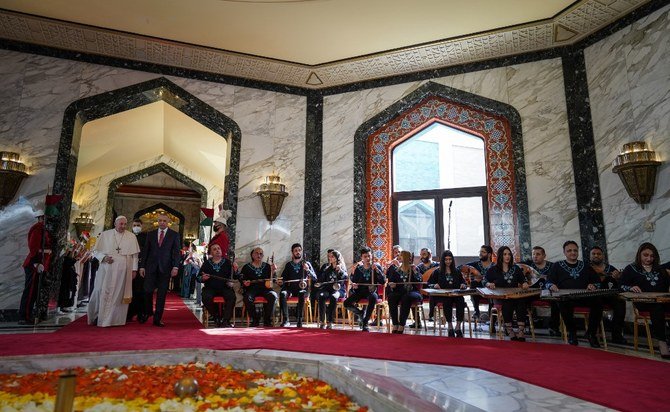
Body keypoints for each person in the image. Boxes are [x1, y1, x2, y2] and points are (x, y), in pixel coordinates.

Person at [546, 240, 603, 348]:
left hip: (583, 296)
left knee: (598, 302)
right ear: (564, 252)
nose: (573, 253)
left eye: (575, 250)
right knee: (563, 304)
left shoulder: (585, 266)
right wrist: (551, 286)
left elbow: (597, 281)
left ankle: (591, 334)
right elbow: (548, 281)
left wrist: (593, 285)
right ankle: (572, 333)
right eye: (569, 250)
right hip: (567, 297)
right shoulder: (557, 266)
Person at [87, 216, 140, 327]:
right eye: (121, 224)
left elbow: (135, 256)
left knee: (118, 295)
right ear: (115, 224)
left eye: (125, 224)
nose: (123, 226)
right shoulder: (105, 235)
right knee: (100, 290)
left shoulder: (131, 237)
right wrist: (104, 258)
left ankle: (115, 320)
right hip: (107, 268)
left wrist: (134, 270)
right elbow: (95, 251)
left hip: (123, 270)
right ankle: (99, 317)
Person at [620, 242, 670, 358]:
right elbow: (620, 286)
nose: (649, 258)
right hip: (644, 302)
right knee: (657, 308)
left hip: (662, 301)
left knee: (659, 306)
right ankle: (662, 343)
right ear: (639, 255)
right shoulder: (631, 269)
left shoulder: (660, 269)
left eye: (652, 256)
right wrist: (630, 287)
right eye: (645, 255)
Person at [139, 213, 182, 327]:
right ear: (157, 221)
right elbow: (146, 251)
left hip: (166, 268)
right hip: (150, 267)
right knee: (147, 290)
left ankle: (157, 319)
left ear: (168, 222)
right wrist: (142, 266)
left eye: (164, 220)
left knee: (161, 295)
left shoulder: (174, 235)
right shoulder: (151, 234)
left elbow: (176, 252)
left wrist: (175, 266)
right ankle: (148, 311)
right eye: (160, 220)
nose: (162, 222)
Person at [484, 246, 530, 341]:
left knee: (521, 301)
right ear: (500, 256)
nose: (507, 256)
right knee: (507, 303)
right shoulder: (493, 269)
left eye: (509, 254)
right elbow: (484, 281)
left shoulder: (516, 268)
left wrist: (525, 283)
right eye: (505, 254)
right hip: (501, 297)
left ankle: (521, 331)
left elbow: (523, 280)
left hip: (515, 296)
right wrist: (489, 284)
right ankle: (510, 331)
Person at [18, 210, 52, 325]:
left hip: (39, 264)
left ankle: (28, 314)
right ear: (42, 217)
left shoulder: (43, 229)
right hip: (34, 264)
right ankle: (24, 316)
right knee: (30, 291)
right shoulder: (38, 229)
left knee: (33, 292)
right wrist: (36, 262)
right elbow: (33, 247)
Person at [589, 246, 627, 344]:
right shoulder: (587, 269)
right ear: (590, 256)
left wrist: (618, 278)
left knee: (621, 302)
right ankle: (591, 332)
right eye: (593, 254)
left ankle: (616, 334)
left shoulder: (611, 268)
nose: (596, 255)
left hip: (609, 295)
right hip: (593, 296)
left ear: (603, 256)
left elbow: (620, 285)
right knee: (596, 303)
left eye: (599, 254)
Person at [520, 246, 559, 336]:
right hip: (532, 293)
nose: (535, 256)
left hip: (547, 292)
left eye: (538, 254)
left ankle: (554, 327)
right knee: (522, 300)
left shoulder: (552, 266)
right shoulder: (528, 266)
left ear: (544, 256)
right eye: (533, 254)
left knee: (556, 302)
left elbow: (556, 279)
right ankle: (527, 326)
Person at [426, 250, 467, 337]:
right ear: (443, 261)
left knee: (461, 301)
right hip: (443, 295)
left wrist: (463, 285)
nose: (448, 261)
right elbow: (429, 283)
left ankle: (458, 326)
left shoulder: (457, 271)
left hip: (455, 294)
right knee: (447, 301)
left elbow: (464, 282)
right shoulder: (437, 271)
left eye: (450, 259)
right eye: (446, 260)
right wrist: (434, 285)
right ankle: (450, 326)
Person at [344, 247, 385, 331]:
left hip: (371, 291)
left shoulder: (376, 266)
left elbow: (383, 281)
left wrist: (377, 271)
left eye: (369, 256)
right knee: (346, 303)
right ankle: (360, 313)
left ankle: (365, 321)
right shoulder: (359, 268)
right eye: (365, 256)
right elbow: (354, 281)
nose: (367, 258)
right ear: (362, 258)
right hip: (360, 292)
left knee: (373, 297)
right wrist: (355, 285)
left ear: (372, 256)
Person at [278, 243, 316, 328]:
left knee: (301, 293)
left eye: (299, 250)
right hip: (290, 289)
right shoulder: (288, 265)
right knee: (283, 294)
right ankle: (286, 320)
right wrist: (281, 282)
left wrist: (308, 270)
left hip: (303, 289)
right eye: (295, 251)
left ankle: (299, 320)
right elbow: (284, 279)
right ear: (292, 253)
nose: (298, 252)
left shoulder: (307, 264)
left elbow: (314, 278)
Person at [198, 244, 236, 327]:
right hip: (210, 288)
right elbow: (198, 277)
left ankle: (226, 320)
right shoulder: (207, 263)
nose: (217, 250)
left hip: (225, 287)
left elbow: (234, 276)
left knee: (231, 297)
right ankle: (216, 317)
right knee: (205, 297)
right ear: (211, 252)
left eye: (219, 248)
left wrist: (232, 278)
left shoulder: (227, 262)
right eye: (215, 249)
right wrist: (203, 278)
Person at [387, 250, 423, 334]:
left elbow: (419, 281)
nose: (399, 257)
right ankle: (395, 323)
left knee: (406, 297)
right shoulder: (396, 269)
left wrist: (414, 271)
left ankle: (402, 324)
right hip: (399, 291)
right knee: (392, 297)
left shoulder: (413, 268)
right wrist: (392, 284)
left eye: (401, 255)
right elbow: (392, 280)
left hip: (413, 292)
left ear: (406, 258)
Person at [240, 247, 278, 327]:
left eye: (261, 254)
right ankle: (255, 319)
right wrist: (244, 283)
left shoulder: (267, 266)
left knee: (273, 295)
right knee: (247, 297)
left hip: (265, 288)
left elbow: (273, 280)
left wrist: (274, 271)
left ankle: (267, 320)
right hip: (252, 289)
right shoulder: (246, 267)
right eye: (256, 253)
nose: (259, 255)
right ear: (252, 255)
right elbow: (242, 279)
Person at [316, 249, 348, 329]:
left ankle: (330, 321)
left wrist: (340, 270)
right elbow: (322, 279)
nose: (330, 258)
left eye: (332, 257)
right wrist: (319, 283)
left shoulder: (341, 268)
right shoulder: (327, 269)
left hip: (338, 290)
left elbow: (346, 277)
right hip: (328, 289)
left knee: (334, 296)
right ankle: (322, 321)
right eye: (329, 256)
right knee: (321, 295)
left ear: (337, 258)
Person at [460, 245, 494, 320]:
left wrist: (483, 279)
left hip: (490, 291)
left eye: (483, 252)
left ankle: (491, 317)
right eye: (480, 252)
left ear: (489, 255)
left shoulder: (494, 266)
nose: (480, 254)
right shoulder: (475, 264)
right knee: (474, 284)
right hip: (477, 291)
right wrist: (467, 276)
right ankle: (476, 311)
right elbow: (460, 267)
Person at [127, 218, 147, 322]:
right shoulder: (127, 236)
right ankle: (129, 313)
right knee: (129, 290)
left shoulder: (145, 237)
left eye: (138, 225)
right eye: (134, 225)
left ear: (141, 226)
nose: (136, 227)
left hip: (140, 267)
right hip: (128, 266)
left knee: (140, 291)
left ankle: (141, 313)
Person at [416, 247, 439, 322]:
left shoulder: (437, 266)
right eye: (421, 255)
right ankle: (417, 320)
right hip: (422, 290)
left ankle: (431, 315)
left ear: (430, 255)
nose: (422, 256)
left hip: (434, 289)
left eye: (424, 254)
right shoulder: (419, 267)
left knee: (432, 293)